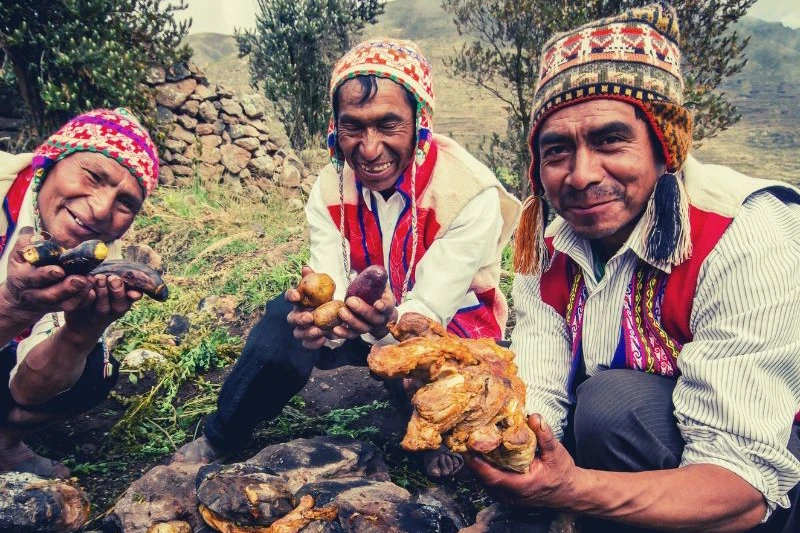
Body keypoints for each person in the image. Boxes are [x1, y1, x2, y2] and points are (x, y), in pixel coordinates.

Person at [467, 3, 800, 532]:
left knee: (611, 404)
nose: (580, 175)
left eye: (609, 140)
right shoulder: (550, 246)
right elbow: (541, 386)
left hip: (762, 478)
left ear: (665, 145)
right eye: (557, 150)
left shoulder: (742, 232)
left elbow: (745, 486)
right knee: (593, 406)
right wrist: (519, 447)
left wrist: (571, 488)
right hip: (642, 449)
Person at [174, 38, 522, 478]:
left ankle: (428, 425)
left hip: (448, 326)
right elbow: (329, 280)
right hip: (361, 321)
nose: (369, 149)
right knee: (287, 317)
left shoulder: (470, 193)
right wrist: (319, 316)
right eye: (352, 126)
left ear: (420, 123)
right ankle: (223, 434)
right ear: (334, 126)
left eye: (388, 125)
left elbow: (430, 307)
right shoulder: (329, 185)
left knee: (441, 373)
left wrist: (385, 324)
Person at [0, 108, 159, 477]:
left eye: (125, 203)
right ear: (51, 157)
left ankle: (4, 444)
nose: (102, 210)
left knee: (93, 373)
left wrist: (78, 336)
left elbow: (28, 392)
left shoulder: (99, 257)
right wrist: (12, 305)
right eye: (93, 176)